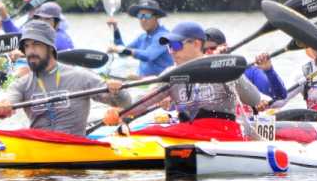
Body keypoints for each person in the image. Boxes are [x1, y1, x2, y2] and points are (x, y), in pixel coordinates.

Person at [109, 22, 270, 140]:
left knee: (145, 133)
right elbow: (142, 103)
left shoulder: (221, 66)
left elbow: (254, 99)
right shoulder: (170, 74)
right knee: (136, 132)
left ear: (196, 44)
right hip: (189, 132)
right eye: (169, 47)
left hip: (224, 132)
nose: (172, 52)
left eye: (176, 45)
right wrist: (119, 106)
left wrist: (230, 72)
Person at [0, 21, 130, 136]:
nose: (30, 51)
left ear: (50, 48)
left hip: (75, 147)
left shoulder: (81, 77)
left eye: (36, 44)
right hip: (38, 147)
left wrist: (117, 90)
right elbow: (7, 106)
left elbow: (126, 103)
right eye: (26, 46)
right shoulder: (21, 84)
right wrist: (3, 107)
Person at [202, 27, 286, 101]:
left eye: (212, 48)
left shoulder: (247, 71)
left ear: (225, 47)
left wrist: (269, 71)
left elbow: (279, 95)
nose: (209, 53)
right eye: (204, 50)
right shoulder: (196, 74)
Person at [106, 0, 174, 77]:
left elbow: (148, 56)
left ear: (156, 17)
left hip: (161, 83)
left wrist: (119, 49)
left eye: (147, 16)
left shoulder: (164, 37)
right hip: (143, 82)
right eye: (140, 16)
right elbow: (123, 54)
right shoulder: (142, 38)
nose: (143, 20)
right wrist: (115, 29)